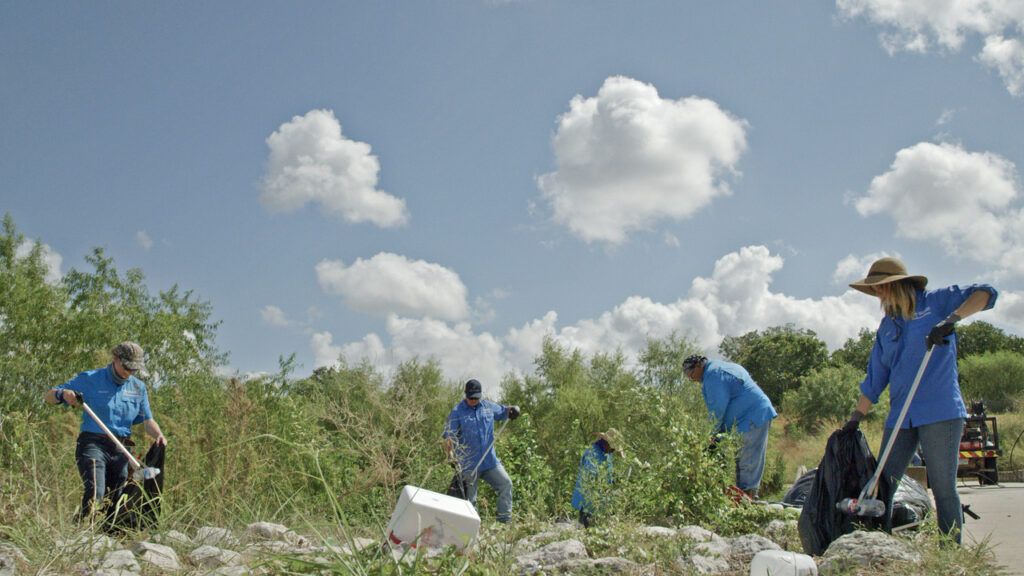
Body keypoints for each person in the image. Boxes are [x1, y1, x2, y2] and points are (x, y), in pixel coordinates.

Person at [844, 257, 996, 544]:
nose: (877, 293)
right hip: (902, 414)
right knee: (883, 482)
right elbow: (875, 378)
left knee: (942, 485)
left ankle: (948, 551)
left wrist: (951, 320)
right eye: (873, 288)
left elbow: (986, 293)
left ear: (897, 284)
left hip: (940, 411)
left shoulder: (936, 303)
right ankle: (881, 544)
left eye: (880, 286)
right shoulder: (887, 326)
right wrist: (855, 418)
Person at [45, 342, 167, 521]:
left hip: (122, 448)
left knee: (116, 498)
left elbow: (147, 420)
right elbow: (49, 396)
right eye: (126, 367)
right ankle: (81, 527)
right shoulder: (91, 378)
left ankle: (105, 536)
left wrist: (159, 435)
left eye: (133, 369)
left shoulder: (138, 388)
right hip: (93, 443)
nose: (128, 373)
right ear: (115, 359)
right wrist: (63, 394)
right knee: (96, 491)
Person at [683, 355, 777, 499]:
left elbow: (717, 411)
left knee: (748, 460)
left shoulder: (713, 375)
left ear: (698, 366)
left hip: (752, 417)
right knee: (741, 460)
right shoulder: (717, 370)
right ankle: (744, 498)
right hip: (748, 419)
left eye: (692, 375)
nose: (693, 380)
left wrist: (709, 439)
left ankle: (748, 499)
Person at [443, 379, 520, 523]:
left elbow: (505, 411)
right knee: (470, 499)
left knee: (506, 483)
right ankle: (473, 527)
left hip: (490, 462)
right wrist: (450, 457)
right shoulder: (457, 412)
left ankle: (504, 521)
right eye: (471, 397)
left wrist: (513, 410)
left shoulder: (488, 407)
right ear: (465, 393)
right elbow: (449, 438)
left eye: (476, 397)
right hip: (468, 465)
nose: (473, 400)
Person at [571, 428, 622, 528]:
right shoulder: (592, 453)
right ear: (607, 443)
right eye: (612, 448)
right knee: (586, 528)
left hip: (602, 503)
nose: (613, 451)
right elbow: (591, 478)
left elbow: (607, 474)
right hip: (588, 502)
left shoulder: (606, 453)